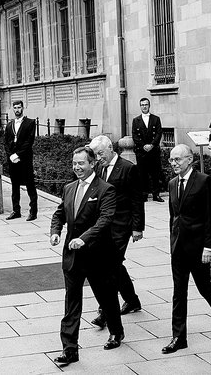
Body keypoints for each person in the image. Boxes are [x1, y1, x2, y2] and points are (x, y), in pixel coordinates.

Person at [50, 146, 124, 367]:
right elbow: (60, 212)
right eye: (74, 163)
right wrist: (55, 231)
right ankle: (69, 349)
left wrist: (84, 238)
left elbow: (105, 220)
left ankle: (116, 331)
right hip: (73, 256)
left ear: (92, 163)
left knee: (106, 297)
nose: (77, 167)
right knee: (72, 303)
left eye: (81, 163)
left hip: (97, 255)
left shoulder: (106, 190)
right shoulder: (69, 187)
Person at [163, 144, 211, 354]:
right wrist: (172, 242)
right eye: (171, 160)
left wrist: (209, 247)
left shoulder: (203, 181)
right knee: (179, 292)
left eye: (177, 159)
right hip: (178, 248)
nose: (174, 163)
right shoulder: (171, 183)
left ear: (189, 160)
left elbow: (209, 217)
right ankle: (178, 337)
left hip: (198, 247)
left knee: (205, 287)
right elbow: (173, 217)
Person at [88, 135, 144, 329]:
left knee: (108, 268)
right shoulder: (99, 167)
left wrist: (137, 227)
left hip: (122, 225)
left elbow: (137, 199)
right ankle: (132, 299)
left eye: (100, 153)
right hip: (103, 226)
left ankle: (104, 312)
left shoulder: (128, 168)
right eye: (95, 155)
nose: (98, 157)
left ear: (110, 148)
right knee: (115, 265)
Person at [4, 100, 38, 221]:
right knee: (14, 186)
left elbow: (29, 141)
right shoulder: (9, 125)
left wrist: (18, 154)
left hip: (25, 159)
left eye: (19, 107)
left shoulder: (30, 123)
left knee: (30, 185)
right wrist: (11, 155)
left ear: (23, 108)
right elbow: (6, 142)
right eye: (15, 108)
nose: (17, 110)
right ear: (13, 109)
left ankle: (33, 211)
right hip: (13, 160)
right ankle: (16, 210)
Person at [132, 97, 164, 202]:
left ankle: (156, 194)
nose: (144, 106)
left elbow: (159, 133)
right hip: (142, 152)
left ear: (149, 106)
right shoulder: (136, 120)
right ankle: (144, 194)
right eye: (142, 105)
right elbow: (135, 136)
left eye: (146, 104)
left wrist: (152, 145)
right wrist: (143, 146)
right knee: (142, 174)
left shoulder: (156, 119)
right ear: (140, 106)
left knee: (155, 173)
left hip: (153, 151)